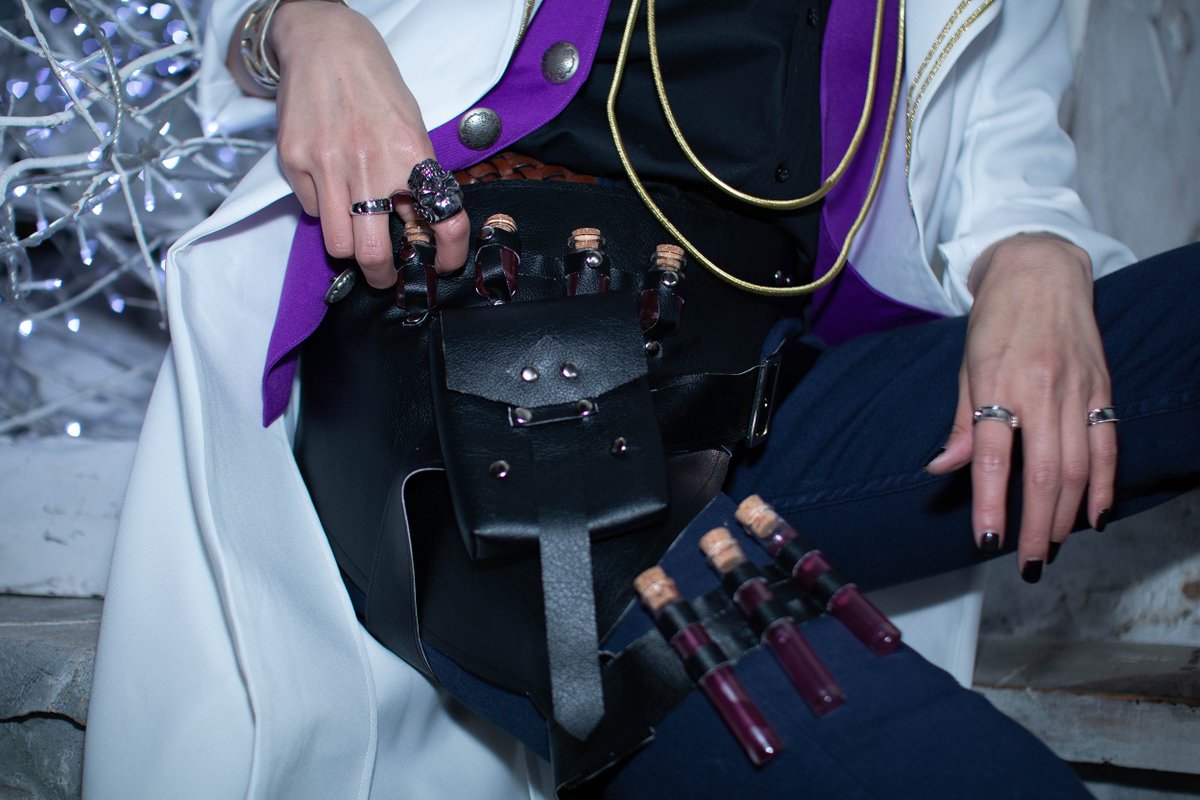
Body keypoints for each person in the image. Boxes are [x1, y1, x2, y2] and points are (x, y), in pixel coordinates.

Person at [82, 0, 1199, 797]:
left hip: (769, 373)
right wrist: (304, 22)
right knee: (912, 759)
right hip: (481, 355)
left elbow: (1001, 117)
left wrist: (1034, 248)